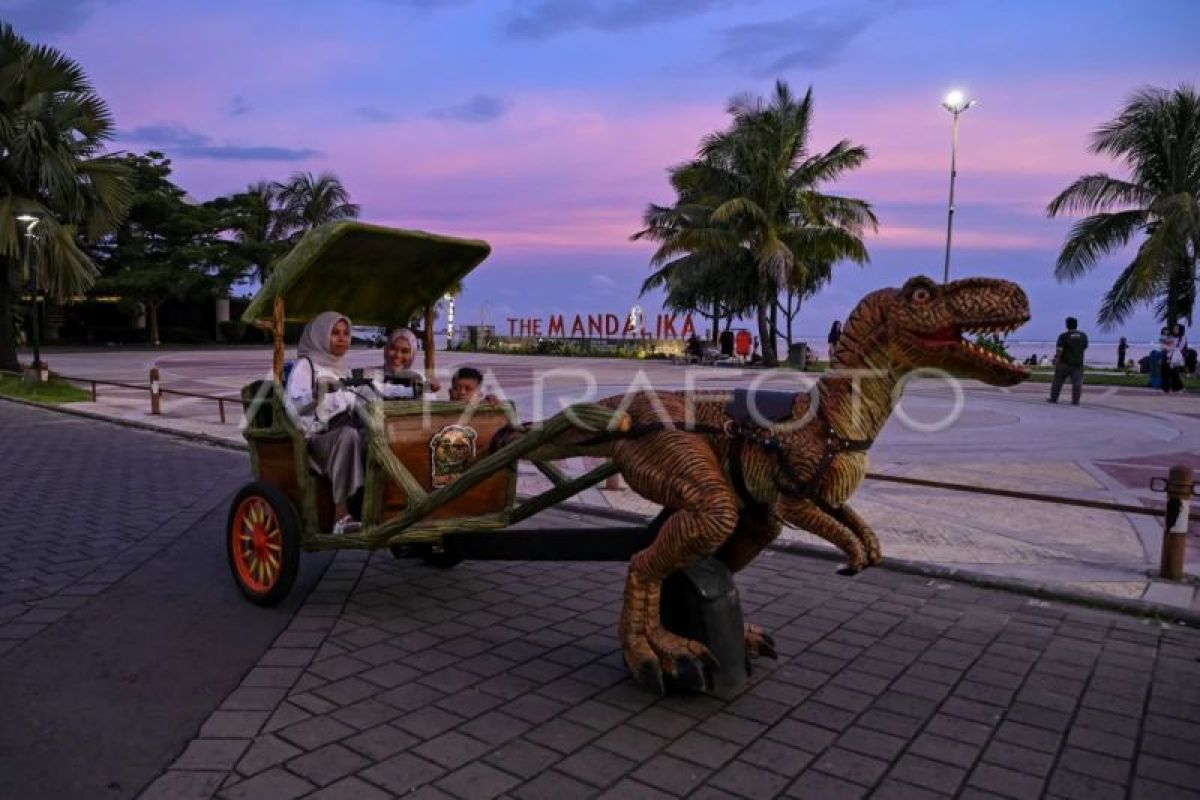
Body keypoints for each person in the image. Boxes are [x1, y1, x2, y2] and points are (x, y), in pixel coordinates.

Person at [285, 312, 367, 535]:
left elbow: (358, 399)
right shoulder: (305, 366)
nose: (342, 338)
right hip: (316, 440)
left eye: (346, 333)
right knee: (348, 436)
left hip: (344, 429)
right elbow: (294, 405)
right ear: (320, 335)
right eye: (335, 333)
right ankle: (340, 515)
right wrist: (317, 394)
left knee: (377, 435)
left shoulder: (343, 368)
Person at [375, 328, 441, 398]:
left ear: (413, 355)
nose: (398, 355)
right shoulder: (371, 375)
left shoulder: (419, 379)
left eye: (405, 351)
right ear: (386, 350)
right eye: (393, 348)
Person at [1048, 316, 1088, 405]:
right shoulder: (1083, 336)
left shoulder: (1063, 336)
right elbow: (1084, 347)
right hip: (1078, 364)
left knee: (1058, 381)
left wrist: (1057, 359)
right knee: (1077, 383)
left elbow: (1059, 350)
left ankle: (1054, 398)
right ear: (1076, 325)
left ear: (1067, 325)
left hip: (1064, 362)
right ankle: (1075, 401)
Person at [1162, 323, 1187, 393]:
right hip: (1168, 356)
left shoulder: (1182, 337)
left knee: (1174, 373)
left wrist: (1171, 349)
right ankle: (1167, 388)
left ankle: (1178, 388)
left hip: (1175, 357)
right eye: (1174, 328)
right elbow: (1165, 345)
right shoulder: (1171, 336)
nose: (1175, 330)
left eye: (1177, 329)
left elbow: (1180, 347)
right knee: (1165, 372)